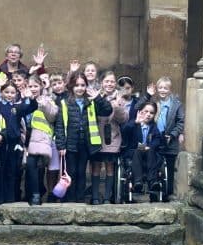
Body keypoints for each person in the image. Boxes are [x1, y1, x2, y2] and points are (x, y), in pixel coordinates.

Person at [54, 72, 112, 204]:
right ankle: (69, 198)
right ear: (71, 87)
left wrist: (98, 98)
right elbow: (60, 125)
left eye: (83, 85)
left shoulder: (91, 102)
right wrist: (61, 145)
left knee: (81, 172)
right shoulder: (64, 103)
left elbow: (107, 110)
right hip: (70, 143)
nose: (80, 88)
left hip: (86, 143)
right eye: (77, 85)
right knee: (71, 171)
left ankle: (80, 199)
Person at [89, 71, 129, 204]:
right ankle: (95, 197)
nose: (109, 84)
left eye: (112, 81)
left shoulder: (120, 98)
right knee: (95, 167)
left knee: (109, 167)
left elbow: (123, 119)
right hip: (96, 136)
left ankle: (107, 197)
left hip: (112, 136)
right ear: (102, 83)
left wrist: (117, 107)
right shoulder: (95, 95)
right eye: (107, 81)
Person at [0, 81, 36, 204]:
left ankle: (10, 199)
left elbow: (32, 107)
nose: (9, 95)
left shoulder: (17, 107)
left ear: (16, 94)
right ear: (1, 92)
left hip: (14, 143)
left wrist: (31, 98)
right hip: (0, 143)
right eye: (7, 92)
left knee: (12, 171)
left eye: (12, 93)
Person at [24, 75, 58, 205]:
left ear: (41, 86)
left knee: (36, 167)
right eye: (30, 86)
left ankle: (36, 195)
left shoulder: (48, 100)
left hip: (40, 139)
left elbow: (52, 117)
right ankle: (33, 193)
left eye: (35, 86)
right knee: (29, 168)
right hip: (26, 137)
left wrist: (43, 104)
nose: (33, 89)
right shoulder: (24, 99)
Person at [151, 76, 185, 198]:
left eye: (165, 88)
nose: (162, 90)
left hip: (170, 139)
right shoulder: (154, 103)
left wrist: (173, 134)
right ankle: (154, 190)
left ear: (170, 90)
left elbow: (181, 121)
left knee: (170, 168)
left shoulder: (177, 105)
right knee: (155, 163)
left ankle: (168, 191)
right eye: (160, 88)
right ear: (157, 89)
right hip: (156, 138)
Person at [121, 101, 163, 193]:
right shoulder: (134, 123)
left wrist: (150, 146)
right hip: (134, 152)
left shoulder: (153, 127)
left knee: (151, 151)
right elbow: (124, 131)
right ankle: (137, 181)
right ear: (140, 112)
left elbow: (157, 139)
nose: (148, 114)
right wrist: (135, 122)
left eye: (151, 113)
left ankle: (152, 181)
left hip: (149, 153)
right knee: (137, 151)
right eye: (146, 111)